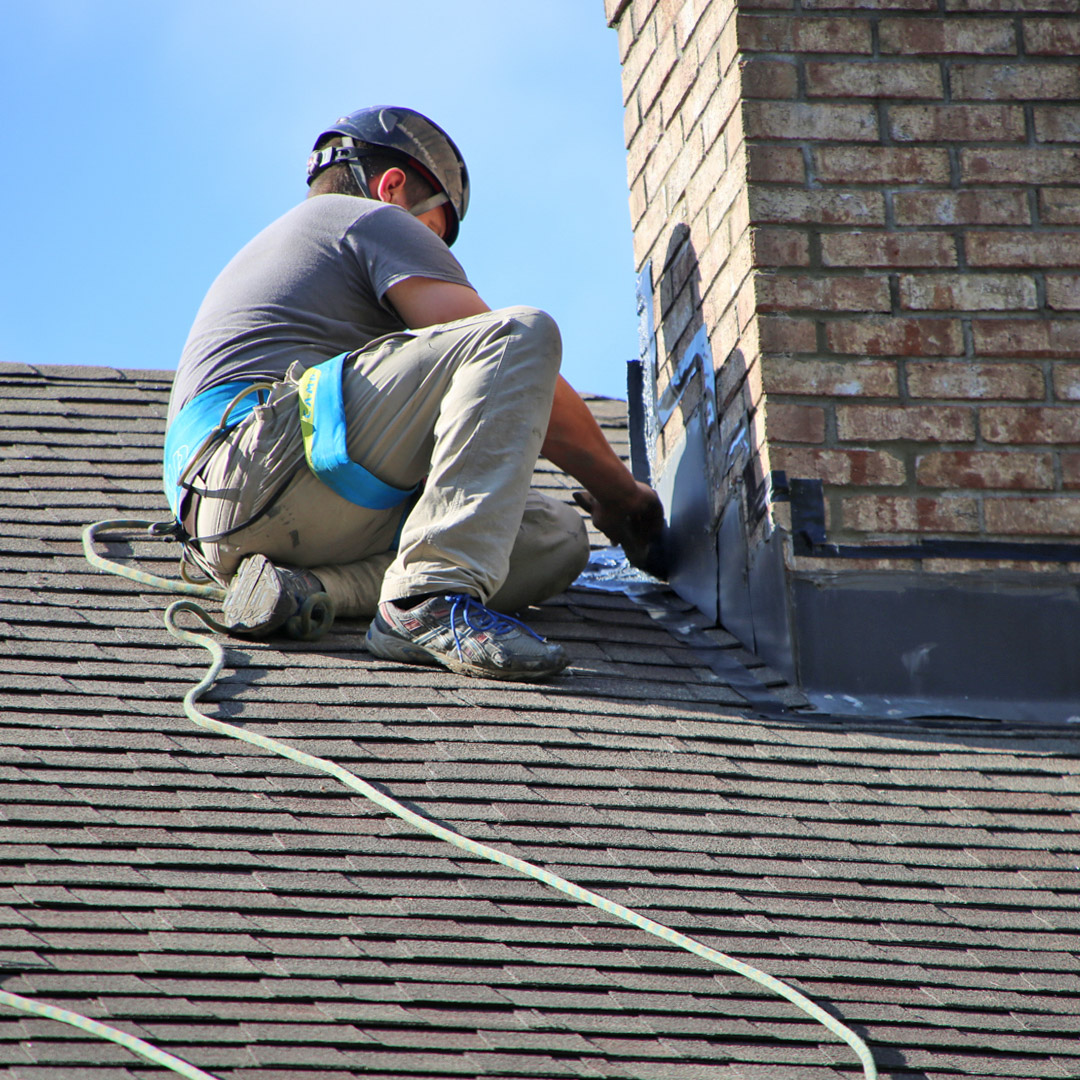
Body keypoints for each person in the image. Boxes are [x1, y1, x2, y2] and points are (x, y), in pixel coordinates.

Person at [163, 106, 664, 681]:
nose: (440, 256)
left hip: (243, 519)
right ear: (393, 186)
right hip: (259, 463)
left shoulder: (298, 253)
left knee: (553, 536)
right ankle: (426, 603)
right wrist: (625, 498)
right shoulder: (361, 218)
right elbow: (518, 368)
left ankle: (305, 590)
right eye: (435, 234)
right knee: (517, 332)